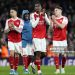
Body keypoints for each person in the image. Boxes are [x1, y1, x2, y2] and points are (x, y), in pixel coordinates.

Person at [30, 2, 50, 75]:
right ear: (35, 8)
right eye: (36, 7)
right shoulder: (32, 15)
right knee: (38, 53)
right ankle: (39, 71)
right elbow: (33, 25)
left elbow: (49, 23)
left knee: (44, 54)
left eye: (38, 6)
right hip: (36, 37)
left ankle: (33, 64)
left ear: (41, 7)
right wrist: (39, 16)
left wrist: (45, 16)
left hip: (43, 37)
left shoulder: (44, 14)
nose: (37, 8)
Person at [4, 7, 24, 75]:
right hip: (11, 40)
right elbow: (5, 31)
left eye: (12, 12)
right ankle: (11, 70)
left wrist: (14, 27)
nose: (11, 13)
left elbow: (20, 30)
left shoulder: (20, 20)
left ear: (16, 12)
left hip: (18, 40)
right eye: (10, 12)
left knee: (17, 55)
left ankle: (15, 70)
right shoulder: (8, 20)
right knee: (11, 54)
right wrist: (9, 28)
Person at [51, 5, 68, 74]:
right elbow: (51, 29)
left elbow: (62, 26)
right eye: (54, 11)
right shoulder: (53, 20)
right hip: (56, 39)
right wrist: (50, 22)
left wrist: (54, 20)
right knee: (56, 54)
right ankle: (57, 69)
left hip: (63, 40)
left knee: (64, 55)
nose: (55, 12)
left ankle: (63, 68)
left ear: (60, 11)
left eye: (56, 10)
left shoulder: (65, 18)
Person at [21, 10, 35, 74]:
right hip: (24, 41)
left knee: (31, 56)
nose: (27, 15)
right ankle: (26, 69)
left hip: (31, 42)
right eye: (25, 14)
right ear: (23, 15)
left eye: (27, 14)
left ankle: (26, 67)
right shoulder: (21, 22)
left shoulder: (31, 22)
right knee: (25, 55)